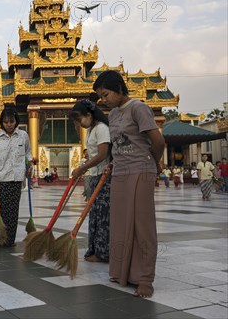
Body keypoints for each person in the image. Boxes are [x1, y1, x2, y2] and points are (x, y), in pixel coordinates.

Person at [94, 70, 165, 299]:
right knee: (121, 225)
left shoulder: (138, 108)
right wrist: (113, 164)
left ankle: (145, 280)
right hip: (121, 172)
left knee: (142, 226)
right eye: (101, 97)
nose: (103, 100)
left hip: (141, 170)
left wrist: (154, 162)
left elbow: (158, 141)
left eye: (106, 95)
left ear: (119, 89)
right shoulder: (113, 114)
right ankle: (121, 272)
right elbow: (117, 145)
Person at [69, 99, 111, 263]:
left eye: (80, 120)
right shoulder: (92, 129)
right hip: (94, 176)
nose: (80, 123)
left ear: (89, 115)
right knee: (94, 214)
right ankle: (94, 249)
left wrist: (82, 168)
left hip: (104, 176)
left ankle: (103, 252)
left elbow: (102, 154)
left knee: (103, 216)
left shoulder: (101, 128)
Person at [0, 108, 32, 247]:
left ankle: (9, 240)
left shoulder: (23, 136)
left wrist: (30, 165)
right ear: (2, 122)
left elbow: (28, 152)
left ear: (16, 121)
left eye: (11, 121)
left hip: (16, 178)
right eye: (6, 122)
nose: (9, 124)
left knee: (12, 211)